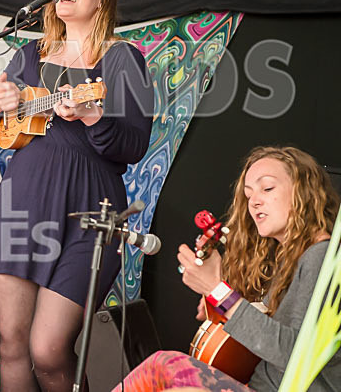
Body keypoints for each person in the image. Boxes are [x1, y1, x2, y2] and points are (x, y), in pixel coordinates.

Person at [0, 0, 153, 392]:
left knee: (49, 351)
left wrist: (92, 116)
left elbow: (134, 144)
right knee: (12, 347)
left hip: (90, 211)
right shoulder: (28, 55)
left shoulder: (121, 58)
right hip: (20, 204)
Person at [114, 146, 341, 391]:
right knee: (162, 364)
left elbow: (295, 356)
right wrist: (219, 302)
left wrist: (218, 291)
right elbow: (266, 337)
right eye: (248, 195)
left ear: (304, 190)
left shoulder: (320, 257)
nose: (254, 201)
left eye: (267, 188)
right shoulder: (290, 258)